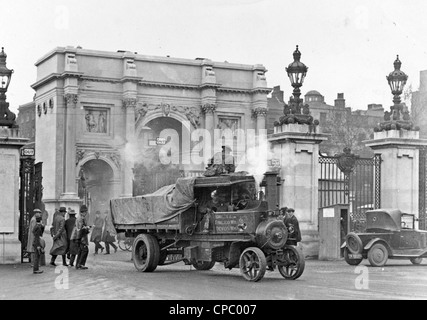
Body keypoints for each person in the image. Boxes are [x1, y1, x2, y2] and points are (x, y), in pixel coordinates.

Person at [75, 205, 91, 270]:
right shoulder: (80, 219)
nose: (86, 213)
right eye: (85, 212)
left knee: (81, 251)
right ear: (82, 212)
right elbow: (80, 229)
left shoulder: (81, 218)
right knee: (85, 250)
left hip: (81, 237)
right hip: (82, 238)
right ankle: (80, 264)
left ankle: (78, 264)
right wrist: (87, 228)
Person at [32, 209, 45, 274]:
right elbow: (37, 237)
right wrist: (38, 245)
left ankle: (36, 268)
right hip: (37, 243)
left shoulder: (36, 226)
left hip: (35, 242)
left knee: (37, 256)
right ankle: (36, 269)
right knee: (37, 256)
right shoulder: (38, 227)